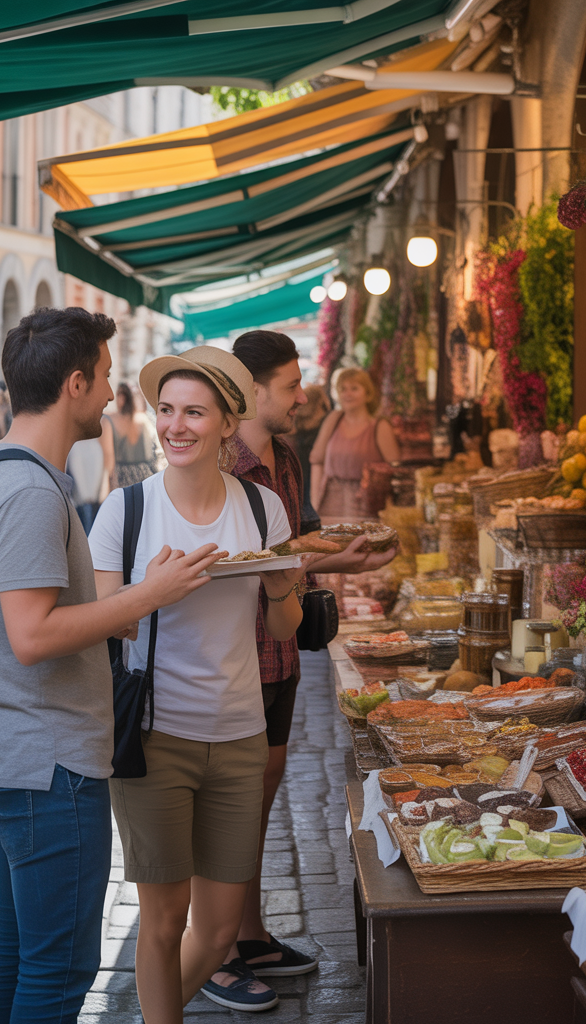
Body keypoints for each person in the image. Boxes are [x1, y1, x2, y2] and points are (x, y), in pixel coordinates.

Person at [0, 306, 225, 1024]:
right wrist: (147, 595)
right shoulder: (27, 491)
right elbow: (33, 635)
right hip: (48, 766)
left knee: (17, 959)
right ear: (74, 382)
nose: (111, 394)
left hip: (16, 758)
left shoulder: (0, 472)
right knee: (59, 971)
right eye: (104, 377)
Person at [89, 345, 312, 1022]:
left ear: (225, 425)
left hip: (242, 736)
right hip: (156, 739)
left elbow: (283, 626)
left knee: (217, 932)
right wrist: (149, 593)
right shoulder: (123, 514)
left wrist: (280, 587)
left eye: (194, 412)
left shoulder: (262, 507)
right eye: (166, 410)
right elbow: (106, 629)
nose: (175, 426)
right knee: (163, 921)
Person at [200, 331, 397, 1011]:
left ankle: (249, 933)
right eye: (289, 385)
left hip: (279, 653)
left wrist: (354, 558)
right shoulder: (220, 461)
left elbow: (295, 549)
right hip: (233, 658)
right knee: (227, 806)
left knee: (260, 795)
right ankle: (214, 948)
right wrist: (324, 557)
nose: (301, 394)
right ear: (252, 390)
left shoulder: (285, 454)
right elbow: (236, 561)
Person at [309, 368, 400, 521]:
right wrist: (315, 502)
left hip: (367, 504)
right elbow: (317, 460)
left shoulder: (379, 426)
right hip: (331, 502)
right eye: (343, 389)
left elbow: (395, 469)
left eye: (354, 388)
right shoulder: (334, 419)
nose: (347, 394)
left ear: (368, 393)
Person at [287, 383, 330, 531]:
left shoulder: (294, 426)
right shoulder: (326, 423)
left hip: (299, 477)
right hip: (315, 476)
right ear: (320, 401)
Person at [108, 381, 163, 487]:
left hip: (123, 480)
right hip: (147, 477)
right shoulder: (147, 418)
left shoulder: (111, 420)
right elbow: (158, 452)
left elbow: (108, 463)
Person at [67, 418, 113, 531]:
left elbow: (108, 457)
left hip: (96, 490)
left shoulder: (103, 423)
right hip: (75, 491)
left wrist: (104, 486)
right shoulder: (68, 422)